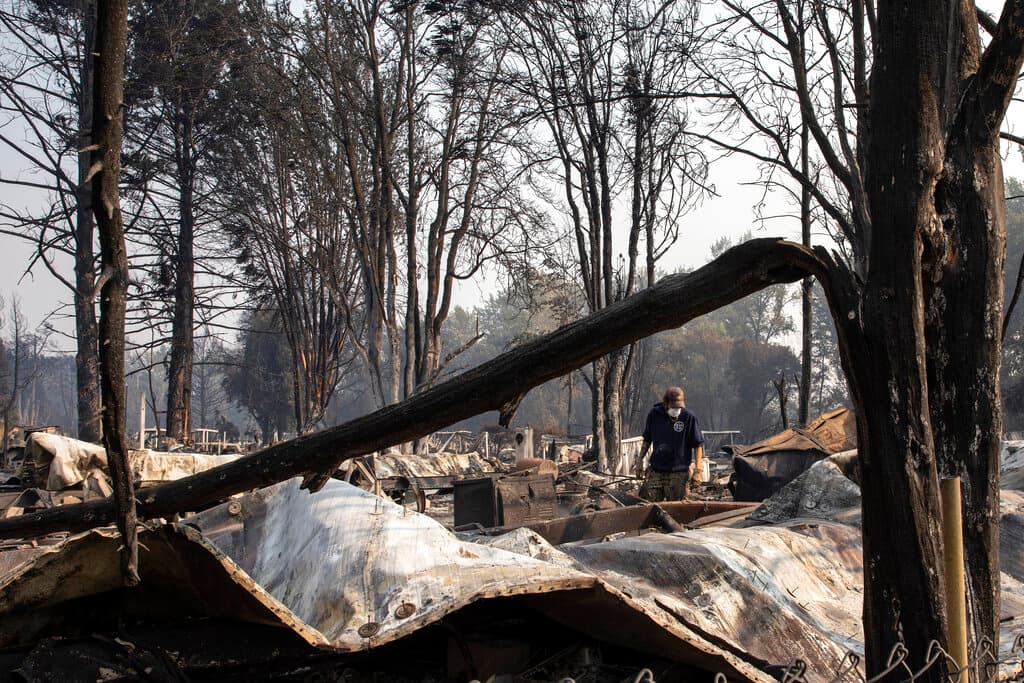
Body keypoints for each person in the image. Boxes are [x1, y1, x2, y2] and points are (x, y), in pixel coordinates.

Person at [637, 386, 705, 502]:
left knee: (677, 508)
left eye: (679, 406)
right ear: (666, 403)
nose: (676, 409)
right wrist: (639, 461)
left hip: (678, 472)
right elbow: (647, 440)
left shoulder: (689, 418)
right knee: (649, 504)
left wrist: (698, 471)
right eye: (674, 406)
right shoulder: (654, 415)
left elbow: (697, 445)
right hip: (656, 470)